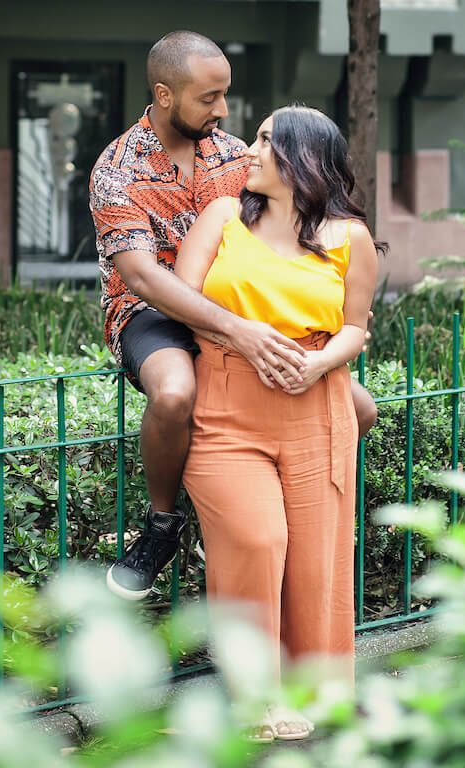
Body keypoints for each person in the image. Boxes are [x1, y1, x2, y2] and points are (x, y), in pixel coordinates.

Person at [89, 31, 378, 601]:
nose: (222, 110)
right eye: (209, 98)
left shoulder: (235, 153)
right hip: (151, 310)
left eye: (225, 95)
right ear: (165, 95)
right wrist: (236, 331)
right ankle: (164, 525)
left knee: (359, 410)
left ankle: (230, 512)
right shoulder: (116, 168)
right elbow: (145, 277)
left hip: (238, 302)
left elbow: (289, 218)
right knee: (175, 393)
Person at [175, 105, 381, 740]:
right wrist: (246, 337)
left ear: (301, 158)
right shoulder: (222, 217)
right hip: (228, 400)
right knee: (257, 540)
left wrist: (317, 364)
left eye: (266, 140)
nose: (251, 149)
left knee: (318, 562)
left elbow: (355, 329)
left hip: (316, 403)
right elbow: (185, 297)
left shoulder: (351, 238)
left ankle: (316, 694)